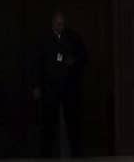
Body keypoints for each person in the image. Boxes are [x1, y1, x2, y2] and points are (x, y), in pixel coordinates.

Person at [34, 10, 90, 158]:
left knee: (73, 120)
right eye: (58, 23)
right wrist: (36, 86)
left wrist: (74, 61)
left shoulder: (73, 37)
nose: (60, 26)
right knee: (48, 121)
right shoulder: (43, 39)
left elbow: (84, 56)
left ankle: (77, 153)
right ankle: (46, 154)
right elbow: (36, 63)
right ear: (52, 23)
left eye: (62, 24)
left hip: (69, 86)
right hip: (50, 86)